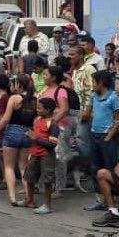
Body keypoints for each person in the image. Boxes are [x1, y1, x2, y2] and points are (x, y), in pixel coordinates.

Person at [81, 69, 119, 211]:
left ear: (101, 83)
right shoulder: (94, 96)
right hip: (94, 135)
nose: (92, 85)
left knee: (110, 169)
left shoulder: (113, 97)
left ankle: (115, 201)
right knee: (95, 168)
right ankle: (102, 200)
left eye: (94, 82)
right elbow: (87, 114)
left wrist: (109, 136)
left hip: (106, 137)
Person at [0, 73, 37, 205]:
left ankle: (12, 197)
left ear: (19, 86)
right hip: (28, 133)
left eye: (14, 83)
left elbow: (5, 119)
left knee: (9, 167)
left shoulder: (14, 98)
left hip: (12, 132)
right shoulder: (34, 99)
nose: (11, 85)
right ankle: (29, 197)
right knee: (23, 167)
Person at [22, 98, 61, 214]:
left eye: (39, 108)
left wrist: (36, 139)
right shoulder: (37, 120)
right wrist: (29, 136)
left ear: (48, 110)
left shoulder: (53, 124)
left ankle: (47, 205)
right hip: (34, 154)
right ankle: (29, 200)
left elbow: (52, 144)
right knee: (30, 177)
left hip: (46, 156)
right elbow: (34, 135)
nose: (37, 110)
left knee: (47, 180)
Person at [41, 66, 70, 198]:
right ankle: (45, 185)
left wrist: (51, 124)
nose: (43, 77)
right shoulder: (44, 90)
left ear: (53, 77)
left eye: (46, 74)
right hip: (44, 127)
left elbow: (64, 109)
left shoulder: (61, 91)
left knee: (59, 157)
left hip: (59, 128)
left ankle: (59, 188)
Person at [70, 46, 96, 184]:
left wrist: (88, 110)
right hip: (78, 111)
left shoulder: (88, 69)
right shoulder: (75, 72)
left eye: (73, 54)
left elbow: (93, 90)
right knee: (82, 142)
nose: (70, 57)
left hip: (88, 112)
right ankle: (89, 169)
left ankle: (92, 170)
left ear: (81, 55)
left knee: (84, 142)